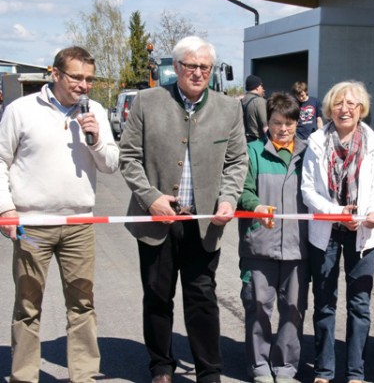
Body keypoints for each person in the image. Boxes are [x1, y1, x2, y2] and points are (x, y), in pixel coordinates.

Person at [119, 36, 248, 383]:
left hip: (204, 222)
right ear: (176, 67)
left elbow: (238, 161)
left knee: (202, 298)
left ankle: (209, 370)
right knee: (158, 297)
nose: (197, 72)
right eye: (190, 65)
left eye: (204, 67)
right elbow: (128, 158)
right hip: (157, 219)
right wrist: (151, 198)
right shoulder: (147, 102)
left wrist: (228, 198)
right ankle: (161, 365)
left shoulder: (229, 108)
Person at [0, 46, 119, 382]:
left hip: (79, 223)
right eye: (76, 77)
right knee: (27, 305)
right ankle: (24, 376)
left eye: (89, 79)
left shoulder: (94, 110)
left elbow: (111, 164)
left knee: (82, 304)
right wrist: (6, 208)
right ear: (55, 74)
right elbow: (0, 160)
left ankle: (83, 376)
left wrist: (94, 138)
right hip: (32, 225)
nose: (84, 85)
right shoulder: (21, 110)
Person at [302, 80, 374, 383]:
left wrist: (371, 215)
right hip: (327, 231)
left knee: (359, 305)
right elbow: (308, 190)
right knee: (325, 302)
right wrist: (337, 212)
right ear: (329, 108)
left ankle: (355, 373)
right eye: (338, 103)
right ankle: (324, 371)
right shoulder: (316, 141)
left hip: (362, 233)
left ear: (361, 108)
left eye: (351, 103)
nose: (344, 109)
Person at [237, 92, 310, 383]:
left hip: (297, 247)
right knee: (258, 307)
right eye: (278, 123)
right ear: (268, 122)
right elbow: (243, 191)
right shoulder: (253, 151)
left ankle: (286, 366)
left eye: (289, 124)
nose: (283, 129)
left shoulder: (308, 153)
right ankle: (259, 365)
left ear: (296, 124)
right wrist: (255, 206)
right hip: (260, 245)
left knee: (293, 310)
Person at [242, 74, 268, 141]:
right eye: (261, 86)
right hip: (257, 141)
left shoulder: (241, 100)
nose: (263, 88)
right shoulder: (259, 102)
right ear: (257, 87)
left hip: (243, 140)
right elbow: (265, 126)